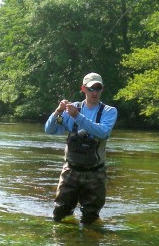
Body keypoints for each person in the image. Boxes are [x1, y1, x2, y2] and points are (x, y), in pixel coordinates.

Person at [45, 72, 117, 224]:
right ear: (83, 89)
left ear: (102, 89)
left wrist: (78, 117)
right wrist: (58, 111)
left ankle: (89, 242)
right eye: (91, 89)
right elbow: (50, 130)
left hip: (95, 172)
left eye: (98, 88)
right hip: (71, 171)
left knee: (91, 218)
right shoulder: (72, 109)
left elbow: (103, 132)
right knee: (60, 215)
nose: (95, 92)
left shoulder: (109, 111)